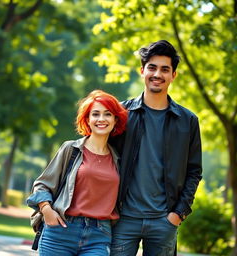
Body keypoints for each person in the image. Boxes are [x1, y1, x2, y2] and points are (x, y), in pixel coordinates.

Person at [110, 40, 202, 256]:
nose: (157, 74)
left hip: (164, 221)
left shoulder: (187, 121)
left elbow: (194, 171)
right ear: (142, 71)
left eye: (165, 69)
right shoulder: (122, 114)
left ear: (173, 75)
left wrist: (178, 214)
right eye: (152, 67)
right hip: (123, 219)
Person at [27, 90, 128, 256]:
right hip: (61, 231)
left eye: (108, 114)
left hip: (99, 236)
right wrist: (47, 210)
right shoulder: (71, 149)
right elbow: (42, 184)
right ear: (87, 119)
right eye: (95, 114)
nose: (101, 119)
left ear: (115, 119)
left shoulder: (118, 159)